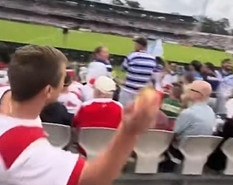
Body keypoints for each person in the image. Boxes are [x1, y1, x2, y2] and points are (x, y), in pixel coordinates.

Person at [0, 45, 160, 185]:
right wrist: (129, 132)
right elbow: (93, 180)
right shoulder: (26, 151)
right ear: (48, 91)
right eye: (63, 79)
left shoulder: (8, 100)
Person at [119, 37, 157, 106]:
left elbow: (123, 68)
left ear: (139, 45)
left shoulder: (132, 56)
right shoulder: (152, 59)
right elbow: (152, 75)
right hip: (142, 93)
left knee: (123, 112)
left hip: (128, 91)